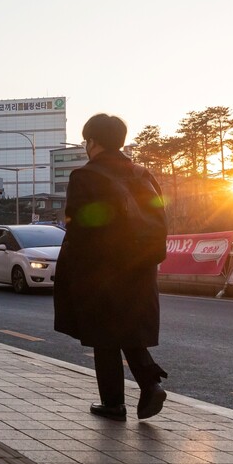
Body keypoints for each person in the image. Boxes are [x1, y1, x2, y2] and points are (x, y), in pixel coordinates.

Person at [54, 113, 168, 421]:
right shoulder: (143, 173)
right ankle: (150, 384)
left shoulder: (85, 176)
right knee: (128, 330)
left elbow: (80, 227)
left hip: (102, 269)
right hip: (141, 266)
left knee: (103, 336)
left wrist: (74, 271)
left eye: (85, 141)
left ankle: (114, 404)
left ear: (93, 142)